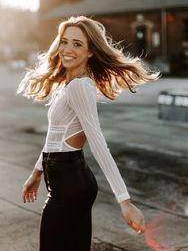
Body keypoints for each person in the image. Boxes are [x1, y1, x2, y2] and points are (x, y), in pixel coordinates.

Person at [17, 16, 161, 251]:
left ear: (91, 51)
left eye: (77, 44)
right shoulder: (70, 84)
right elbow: (54, 136)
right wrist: (36, 173)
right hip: (67, 180)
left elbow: (98, 143)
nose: (67, 49)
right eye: (64, 42)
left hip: (70, 184)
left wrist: (125, 201)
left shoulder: (80, 86)